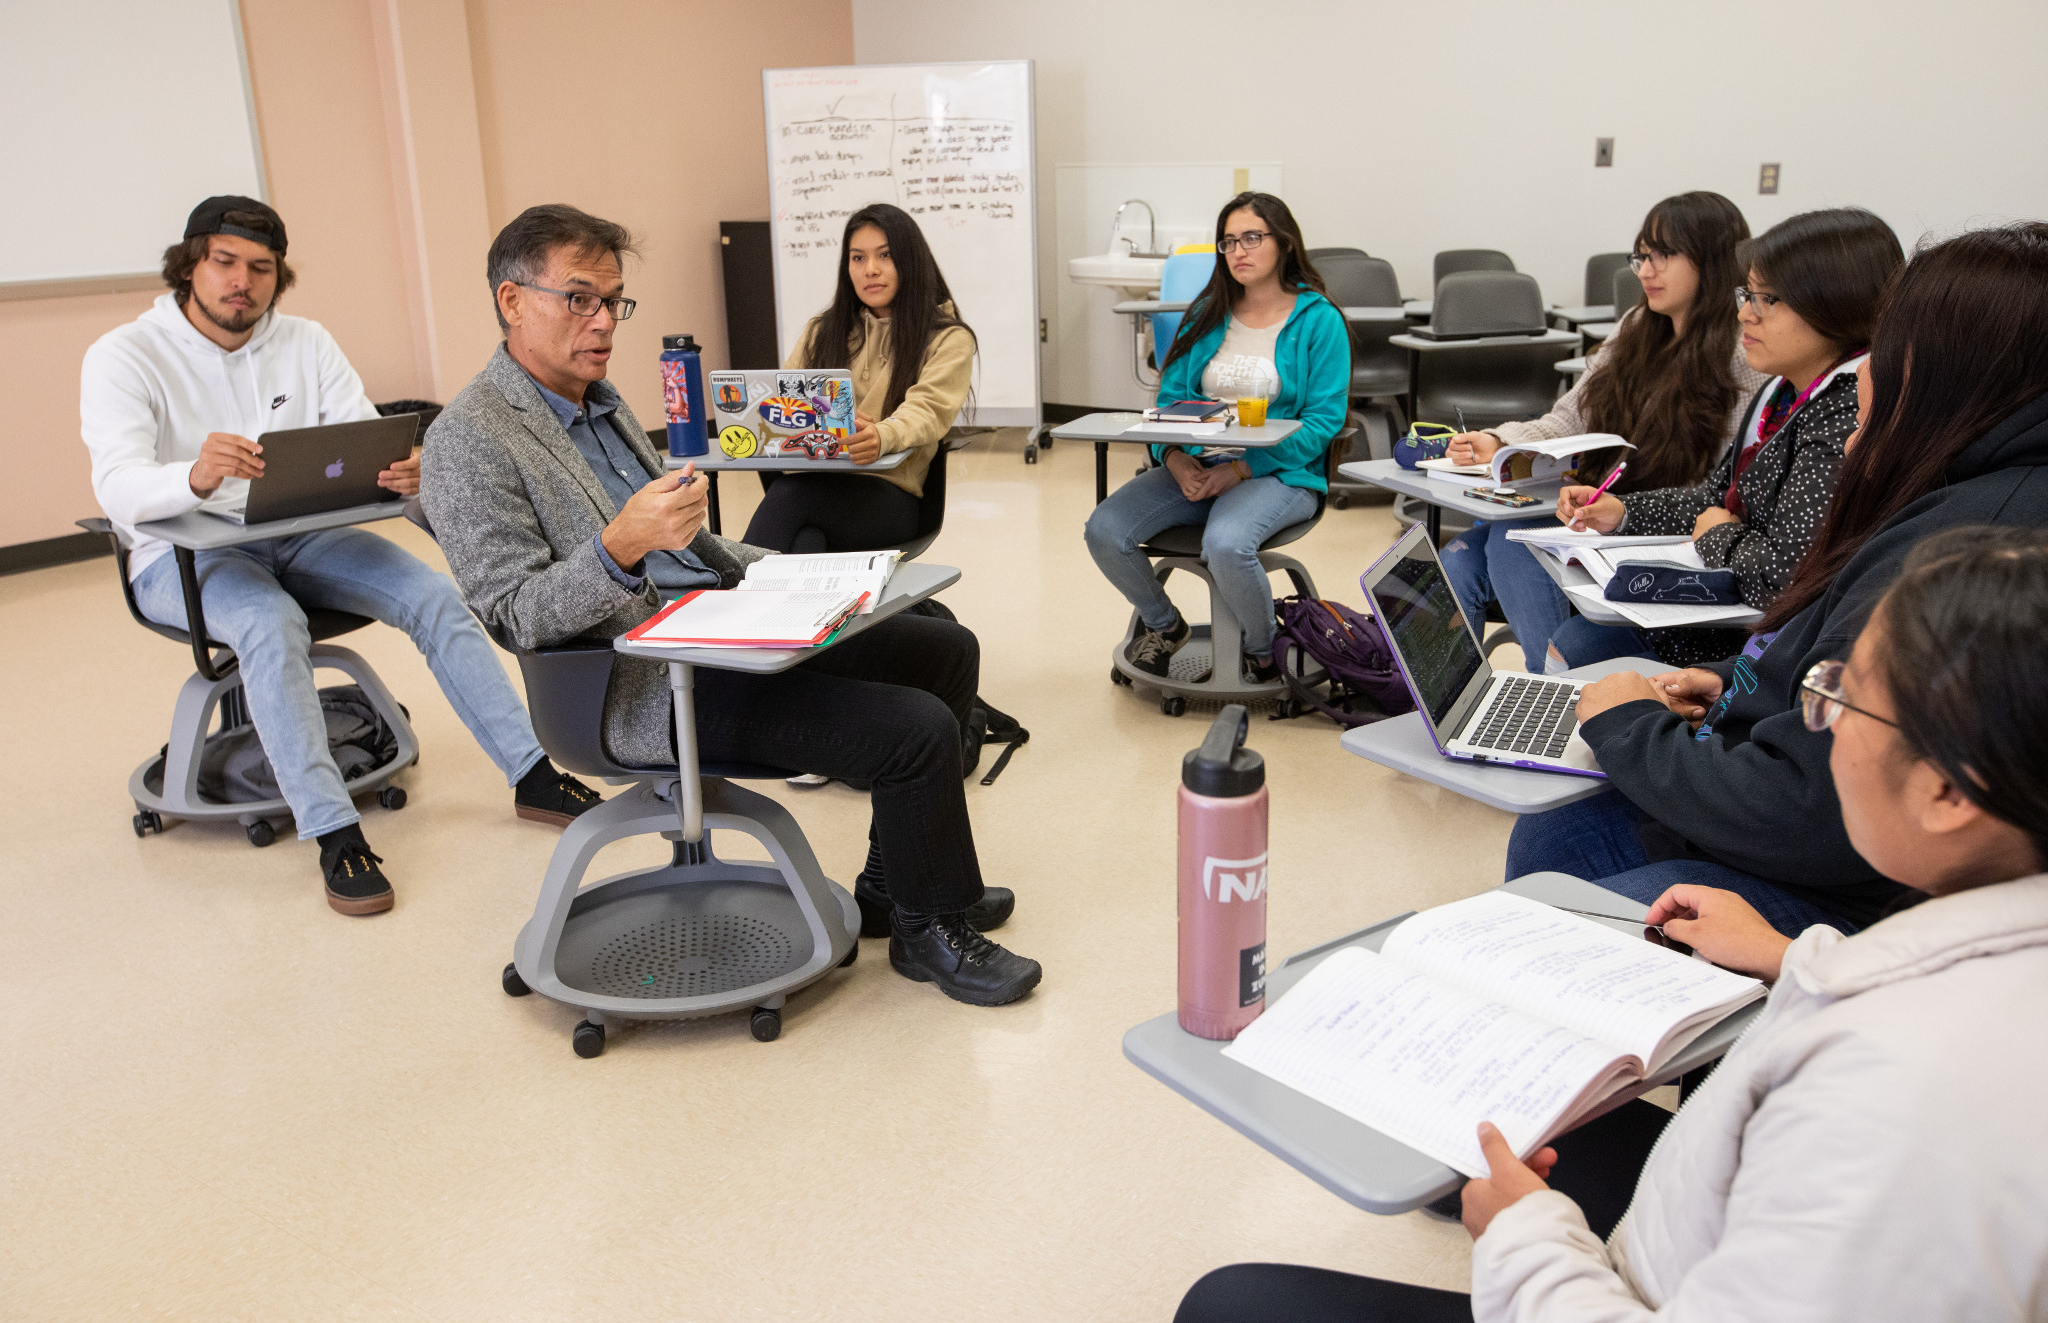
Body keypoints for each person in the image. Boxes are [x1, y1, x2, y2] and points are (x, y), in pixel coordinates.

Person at [1177, 525, 2048, 1322]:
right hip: (1705, 1223)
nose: (1813, 720)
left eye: (1836, 699)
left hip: (1652, 1286)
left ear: (1948, 790)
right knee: (1489, 1116)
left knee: (1230, 1303)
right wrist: (1793, 955)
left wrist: (1528, 1241)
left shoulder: (1900, 1112)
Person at [420, 204, 1040, 1007]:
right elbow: (517, 613)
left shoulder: (600, 404)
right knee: (914, 730)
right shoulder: (469, 438)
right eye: (579, 299)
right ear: (512, 301)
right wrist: (619, 548)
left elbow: (700, 552)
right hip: (634, 681)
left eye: (613, 302)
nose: (604, 322)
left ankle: (901, 888)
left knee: (943, 650)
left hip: (720, 629)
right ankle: (933, 929)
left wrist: (805, 582)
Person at [1510, 220, 2048, 934]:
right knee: (1552, 834)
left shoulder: (1955, 543)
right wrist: (1737, 676)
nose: (1747, 314)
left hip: (1842, 880)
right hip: (1774, 739)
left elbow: (1814, 802)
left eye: (1891, 350)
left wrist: (1631, 726)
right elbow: (1812, 620)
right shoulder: (1806, 411)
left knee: (1582, 681)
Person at [80, 195, 602, 917]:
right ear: (189, 266)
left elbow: (357, 438)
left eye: (261, 268)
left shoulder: (305, 340)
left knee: (433, 595)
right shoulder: (123, 355)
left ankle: (531, 772)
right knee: (269, 623)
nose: (244, 282)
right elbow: (114, 486)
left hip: (297, 532)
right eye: (225, 263)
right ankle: (332, 829)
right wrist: (191, 478)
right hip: (181, 556)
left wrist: (396, 471)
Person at [1540, 208, 1903, 669]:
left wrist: (1720, 536)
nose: (1743, 314)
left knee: (1581, 643)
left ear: (1834, 303)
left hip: (1777, 648)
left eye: (1766, 299)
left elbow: (1784, 577)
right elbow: (1714, 497)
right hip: (1737, 611)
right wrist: (1625, 512)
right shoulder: (1784, 388)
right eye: (1746, 294)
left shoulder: (1847, 408)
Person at [1441, 192, 1767, 667]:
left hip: (1655, 531)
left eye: (1665, 255)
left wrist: (1621, 509)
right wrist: (1501, 441)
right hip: (1600, 515)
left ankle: (1553, 697)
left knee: (1510, 542)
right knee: (1456, 561)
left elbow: (1721, 488)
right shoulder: (1638, 325)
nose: (1645, 271)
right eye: (1642, 256)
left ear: (1713, 262)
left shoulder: (1742, 354)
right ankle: (1462, 713)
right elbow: (1571, 417)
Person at [1083, 192, 1348, 684]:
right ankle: (1165, 626)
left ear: (1284, 243)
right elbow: (1170, 400)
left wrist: (1242, 470)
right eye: (1228, 242)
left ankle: (1265, 649)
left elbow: (1322, 421)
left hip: (1281, 473)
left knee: (1225, 544)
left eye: (1252, 237)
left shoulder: (1318, 320)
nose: (1238, 251)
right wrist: (1177, 459)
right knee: (1104, 529)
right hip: (1198, 466)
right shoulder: (1209, 311)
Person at [741, 203, 972, 554]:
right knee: (805, 544)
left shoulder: (948, 338)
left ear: (911, 261)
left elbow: (928, 410)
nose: (871, 270)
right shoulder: (823, 330)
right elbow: (784, 398)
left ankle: (727, 596)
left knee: (791, 495)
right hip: (818, 487)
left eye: (885, 256)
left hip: (890, 499)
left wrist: (883, 434)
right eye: (858, 258)